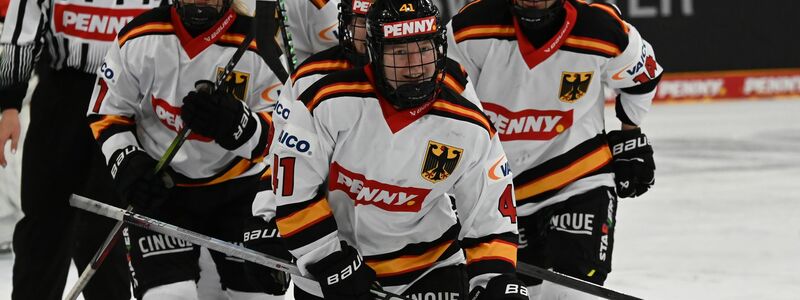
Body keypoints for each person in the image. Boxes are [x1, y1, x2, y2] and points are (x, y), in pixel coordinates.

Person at [270, 0, 529, 299]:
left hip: (429, 267)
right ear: (375, 53)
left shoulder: (470, 125)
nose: (415, 65)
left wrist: (494, 280)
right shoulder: (325, 102)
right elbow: (293, 192)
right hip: (335, 268)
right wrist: (328, 260)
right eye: (400, 52)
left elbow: (490, 214)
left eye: (424, 49)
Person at [446, 0, 662, 298]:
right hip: (498, 188)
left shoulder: (601, 28)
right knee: (520, 293)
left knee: (574, 290)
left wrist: (631, 132)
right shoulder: (471, 27)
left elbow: (642, 75)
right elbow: (445, 104)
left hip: (578, 175)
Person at [86, 0, 289, 298]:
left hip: (239, 192)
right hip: (163, 191)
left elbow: (285, 135)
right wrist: (127, 162)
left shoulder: (261, 46)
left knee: (256, 296)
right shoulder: (140, 36)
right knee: (169, 296)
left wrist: (239, 125)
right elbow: (107, 111)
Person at [0, 0, 163, 297]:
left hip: (128, 103)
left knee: (107, 227)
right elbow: (21, 31)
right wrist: (10, 105)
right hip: (63, 95)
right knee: (43, 222)